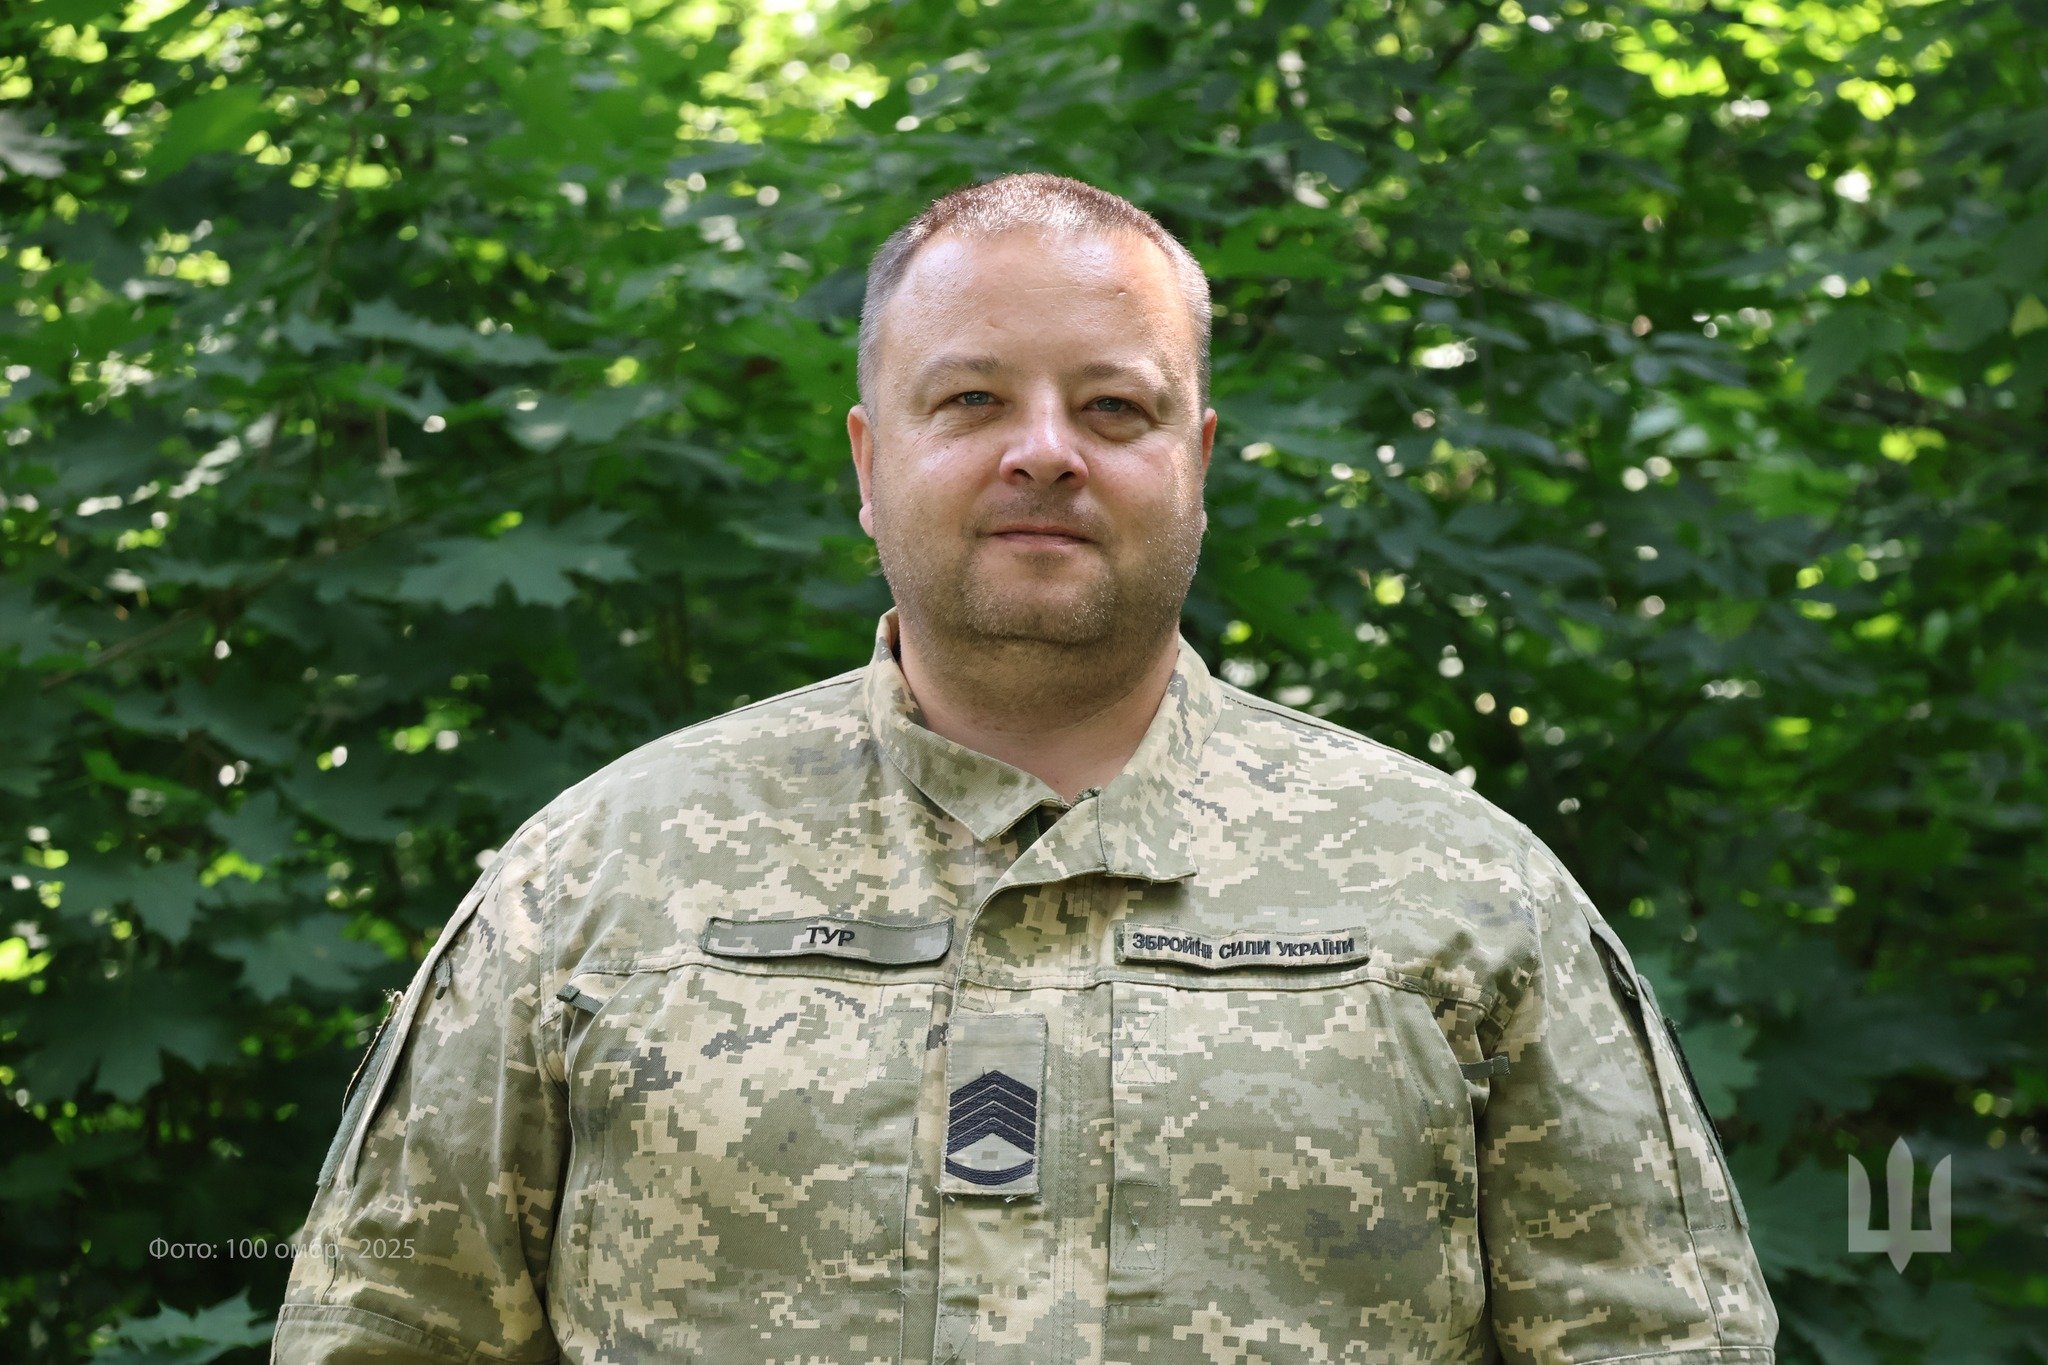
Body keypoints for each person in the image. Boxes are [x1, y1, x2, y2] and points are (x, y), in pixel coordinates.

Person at [274, 172, 1778, 1364]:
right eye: (973, 399)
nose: (1046, 451)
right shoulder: (595, 885)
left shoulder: (1463, 895)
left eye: (1113, 407)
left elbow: (1660, 1342)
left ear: (1198, 459)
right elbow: (387, 1333)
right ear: (869, 463)